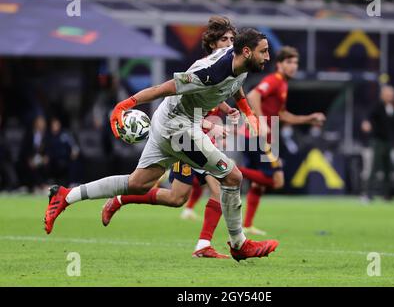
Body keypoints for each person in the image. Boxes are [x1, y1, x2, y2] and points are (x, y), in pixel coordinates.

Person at [44, 27, 278, 262]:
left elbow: (234, 83)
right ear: (247, 52)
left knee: (138, 183)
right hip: (178, 128)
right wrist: (124, 105)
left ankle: (65, 195)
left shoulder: (240, 60)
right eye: (264, 52)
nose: (268, 57)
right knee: (232, 177)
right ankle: (238, 244)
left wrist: (248, 112)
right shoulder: (209, 73)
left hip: (170, 121)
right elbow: (162, 88)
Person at [102, 16, 240, 259]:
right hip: (183, 138)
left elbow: (219, 96)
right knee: (219, 186)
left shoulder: (228, 69)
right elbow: (179, 105)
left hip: (199, 137)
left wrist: (229, 110)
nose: (229, 43)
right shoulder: (201, 68)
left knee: (177, 198)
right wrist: (211, 124)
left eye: (232, 39)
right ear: (212, 44)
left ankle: (123, 198)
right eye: (224, 39)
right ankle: (204, 245)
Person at [237, 46, 326, 235]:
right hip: (256, 136)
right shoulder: (274, 80)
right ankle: (231, 170)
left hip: (261, 136)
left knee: (261, 183)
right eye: (289, 62)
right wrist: (260, 121)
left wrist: (308, 119)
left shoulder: (283, 85)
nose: (293, 66)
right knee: (274, 179)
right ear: (279, 64)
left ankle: (247, 225)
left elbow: (282, 115)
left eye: (295, 63)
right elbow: (253, 95)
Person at [361, 85, 394, 201]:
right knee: (374, 167)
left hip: (388, 142)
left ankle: (387, 194)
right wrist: (366, 123)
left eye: (392, 95)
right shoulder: (377, 106)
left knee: (388, 169)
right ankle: (368, 194)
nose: (391, 97)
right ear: (383, 95)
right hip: (377, 141)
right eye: (388, 94)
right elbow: (368, 117)